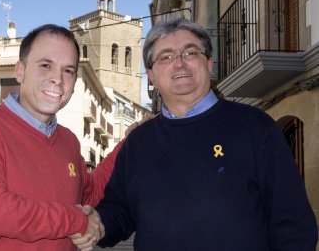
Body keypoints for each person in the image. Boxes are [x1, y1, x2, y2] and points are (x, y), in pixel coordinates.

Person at [73, 18, 318, 250]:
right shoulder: (137, 142)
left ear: (209, 63)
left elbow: (293, 222)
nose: (179, 63)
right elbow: (120, 211)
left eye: (191, 53)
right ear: (151, 75)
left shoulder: (255, 127)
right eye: (166, 56)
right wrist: (98, 224)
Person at [0, 24, 146, 250]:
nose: (58, 78)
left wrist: (127, 143)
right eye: (46, 65)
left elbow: (90, 192)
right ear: (20, 71)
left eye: (69, 71)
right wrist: (77, 221)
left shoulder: (68, 141)